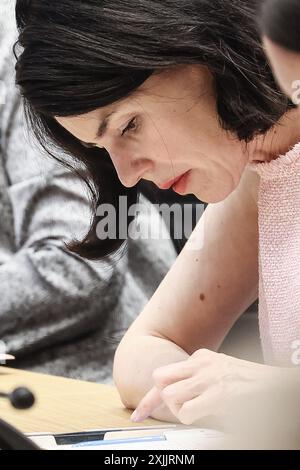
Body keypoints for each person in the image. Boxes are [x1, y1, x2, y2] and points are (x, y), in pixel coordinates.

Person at [14, 0, 299, 428]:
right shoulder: (263, 175)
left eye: (130, 125)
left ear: (202, 48)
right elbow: (141, 351)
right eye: (101, 150)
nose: (127, 177)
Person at [0, 3, 177, 383]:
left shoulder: (30, 60)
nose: (127, 175)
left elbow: (78, 261)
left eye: (130, 126)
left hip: (79, 385)